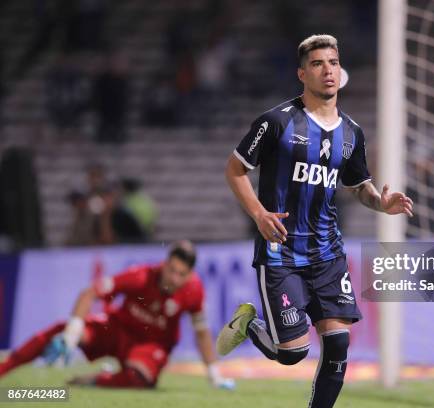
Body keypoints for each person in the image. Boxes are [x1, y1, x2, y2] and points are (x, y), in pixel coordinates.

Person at [218, 34, 413, 407]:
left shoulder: (352, 132)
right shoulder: (276, 122)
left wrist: (381, 202)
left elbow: (359, 186)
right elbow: (234, 169)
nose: (328, 71)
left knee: (338, 345)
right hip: (281, 254)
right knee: (292, 354)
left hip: (328, 254)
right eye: (319, 64)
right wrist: (259, 213)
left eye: (334, 63)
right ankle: (248, 325)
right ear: (302, 74)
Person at [0, 241, 234, 390]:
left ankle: (94, 380)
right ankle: (4, 369)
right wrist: (72, 334)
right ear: (164, 264)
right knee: (62, 330)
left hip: (152, 344)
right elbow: (90, 292)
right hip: (117, 330)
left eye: (180, 274)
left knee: (140, 378)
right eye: (171, 270)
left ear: (189, 275)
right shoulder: (140, 276)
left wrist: (214, 374)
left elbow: (201, 333)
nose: (173, 278)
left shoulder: (194, 291)